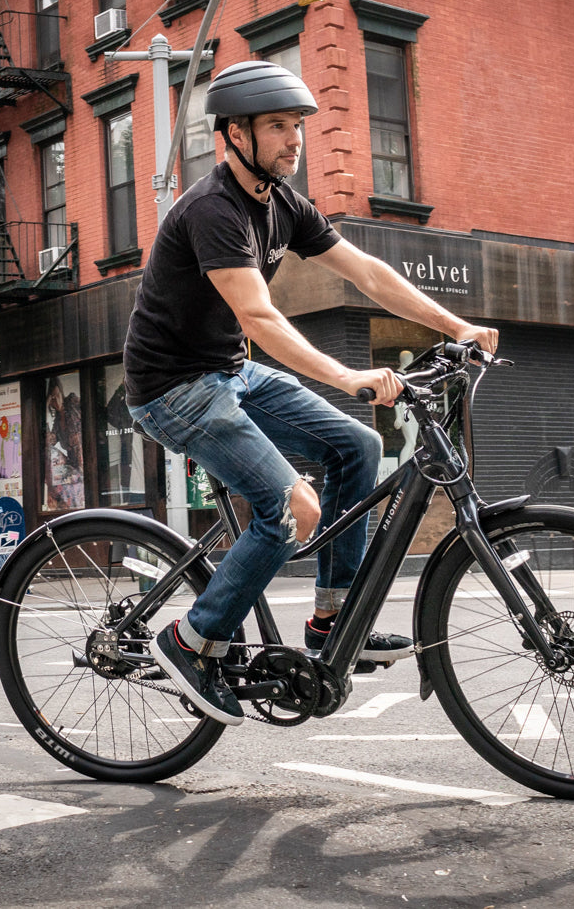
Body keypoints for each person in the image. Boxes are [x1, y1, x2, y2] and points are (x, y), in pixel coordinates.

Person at [123, 61, 498, 725]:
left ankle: (329, 624)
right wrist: (347, 375)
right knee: (289, 508)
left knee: (353, 446)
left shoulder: (281, 203)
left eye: (296, 125)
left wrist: (457, 325)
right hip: (172, 388)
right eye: (277, 126)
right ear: (233, 133)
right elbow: (260, 318)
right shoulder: (212, 209)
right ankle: (190, 639)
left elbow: (366, 273)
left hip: (229, 373)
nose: (293, 138)